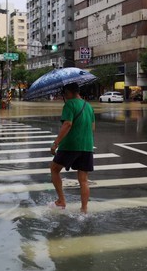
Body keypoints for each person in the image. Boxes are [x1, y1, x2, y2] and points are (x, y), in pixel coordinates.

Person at [50, 82, 95, 214]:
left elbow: (68, 124)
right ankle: (84, 210)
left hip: (70, 145)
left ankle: (61, 201)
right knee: (83, 179)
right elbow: (93, 128)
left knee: (54, 168)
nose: (65, 96)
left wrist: (56, 143)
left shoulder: (69, 104)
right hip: (87, 146)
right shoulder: (89, 106)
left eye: (65, 94)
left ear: (69, 92)